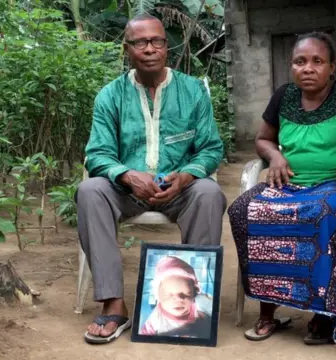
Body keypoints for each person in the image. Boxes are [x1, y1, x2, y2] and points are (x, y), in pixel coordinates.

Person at [227, 31, 336, 346]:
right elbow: (263, 139)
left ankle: (324, 313)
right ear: (292, 67)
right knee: (243, 210)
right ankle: (268, 309)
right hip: (289, 184)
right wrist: (275, 156)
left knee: (322, 212)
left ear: (332, 67)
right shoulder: (283, 96)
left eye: (317, 61)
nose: (308, 68)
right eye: (300, 62)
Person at [78, 13, 226, 345]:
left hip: (179, 188)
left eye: (157, 41)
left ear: (166, 47)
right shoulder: (110, 96)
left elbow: (211, 148)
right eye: (140, 42)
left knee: (209, 194)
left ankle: (192, 310)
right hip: (125, 189)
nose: (149, 48)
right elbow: (97, 153)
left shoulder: (192, 91)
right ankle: (114, 303)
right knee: (90, 190)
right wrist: (127, 175)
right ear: (127, 49)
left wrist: (186, 176)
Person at [139, 256, 212, 337]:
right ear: (158, 296)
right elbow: (144, 335)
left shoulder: (199, 305)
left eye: (187, 294)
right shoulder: (156, 317)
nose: (178, 299)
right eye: (169, 295)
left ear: (194, 293)